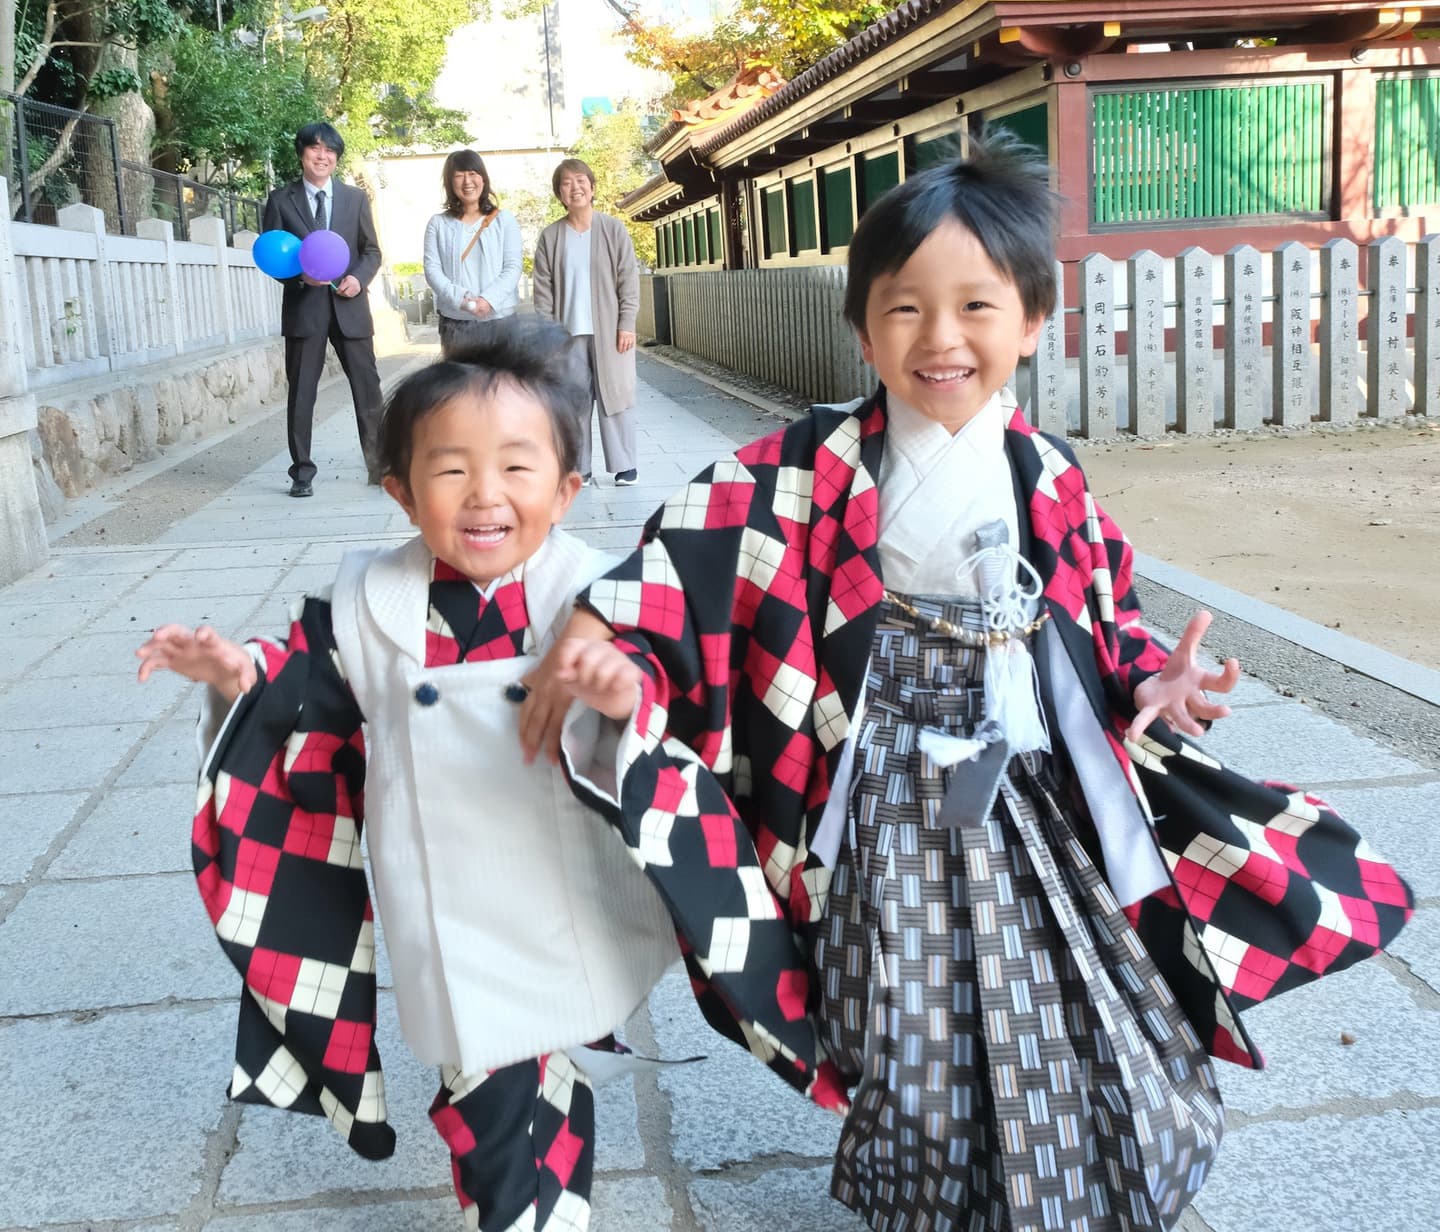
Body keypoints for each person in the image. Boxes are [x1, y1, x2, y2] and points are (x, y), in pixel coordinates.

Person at [521, 137, 1414, 1231]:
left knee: (1074, 982)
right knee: (909, 1007)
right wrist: (609, 645)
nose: (940, 340)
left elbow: (1102, 613)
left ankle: (1074, 1172)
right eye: (904, 310)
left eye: (977, 308)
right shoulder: (798, 472)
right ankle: (932, 1187)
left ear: (1033, 320)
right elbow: (671, 575)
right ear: (861, 327)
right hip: (883, 776)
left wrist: (1153, 679)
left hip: (1030, 772)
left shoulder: (1051, 470)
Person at [134, 320, 677, 1232]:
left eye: (516, 466)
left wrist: (624, 692)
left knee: (520, 1084)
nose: (485, 495)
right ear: (401, 491)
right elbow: (307, 696)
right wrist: (237, 675)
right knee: (485, 1077)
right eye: (451, 468)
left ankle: (527, 1205)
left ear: (569, 488)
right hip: (441, 897)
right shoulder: (368, 602)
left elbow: (663, 694)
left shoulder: (592, 594)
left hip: (559, 886)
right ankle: (521, 1183)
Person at [262, 121, 384, 497]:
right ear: (302, 153)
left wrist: (359, 279)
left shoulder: (354, 199)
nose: (323, 156)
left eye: (330, 151)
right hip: (305, 310)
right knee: (302, 393)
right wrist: (301, 279)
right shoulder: (281, 201)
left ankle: (380, 466)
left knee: (368, 388)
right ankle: (302, 472)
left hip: (351, 307)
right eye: (315, 149)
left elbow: (371, 251)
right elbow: (272, 257)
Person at [532, 158, 640, 488]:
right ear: (559, 194)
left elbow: (628, 280)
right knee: (573, 400)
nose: (575, 187)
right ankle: (579, 467)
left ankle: (625, 465)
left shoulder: (613, 229)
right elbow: (543, 289)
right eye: (567, 183)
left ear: (592, 188)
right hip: (567, 336)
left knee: (616, 395)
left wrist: (627, 322)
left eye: (581, 181)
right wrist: (548, 335)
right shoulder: (551, 236)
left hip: (610, 333)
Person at [422, 149, 523, 356]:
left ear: (483, 179)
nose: (467, 181)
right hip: (456, 324)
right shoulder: (438, 224)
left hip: (501, 321)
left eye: (473, 174)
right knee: (460, 386)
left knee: (502, 385)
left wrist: (488, 301)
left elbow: (513, 267)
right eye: (459, 176)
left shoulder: (504, 220)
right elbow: (432, 270)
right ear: (450, 183)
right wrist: (463, 301)